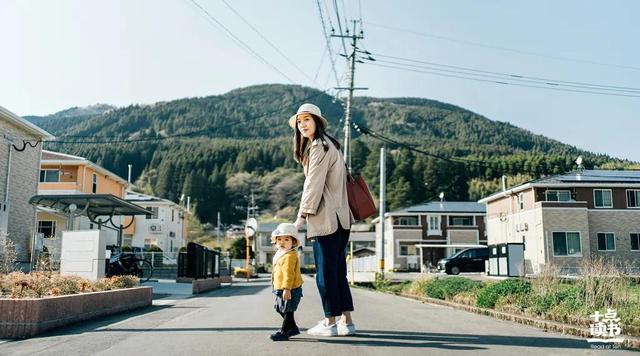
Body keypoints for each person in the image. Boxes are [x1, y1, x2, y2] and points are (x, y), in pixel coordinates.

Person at [289, 103, 356, 337]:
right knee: (337, 272)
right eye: (299, 122)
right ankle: (346, 321)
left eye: (307, 119)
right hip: (342, 219)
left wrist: (300, 218)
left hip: (326, 220)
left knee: (325, 274)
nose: (303, 124)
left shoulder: (318, 147)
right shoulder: (332, 145)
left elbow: (313, 185)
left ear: (317, 121)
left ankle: (330, 322)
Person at [270, 223, 304, 341]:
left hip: (290, 288)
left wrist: (286, 289)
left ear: (293, 242)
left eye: (286, 239)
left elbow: (289, 274)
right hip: (280, 288)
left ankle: (284, 332)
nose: (282, 242)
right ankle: (293, 327)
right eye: (279, 239)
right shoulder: (281, 254)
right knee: (280, 308)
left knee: (288, 310)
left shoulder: (290, 256)